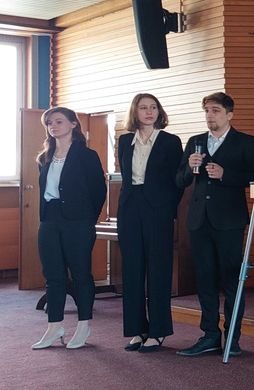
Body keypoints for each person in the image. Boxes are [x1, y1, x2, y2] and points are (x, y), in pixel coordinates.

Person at [175, 92, 254, 357]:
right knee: (204, 279)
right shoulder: (195, 141)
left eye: (215, 111)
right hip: (199, 220)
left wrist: (226, 175)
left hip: (230, 221)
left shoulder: (245, 142)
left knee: (232, 280)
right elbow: (179, 180)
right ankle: (210, 336)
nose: (209, 116)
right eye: (206, 111)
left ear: (229, 115)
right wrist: (188, 167)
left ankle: (233, 337)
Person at [33, 107, 107, 350]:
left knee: (81, 273)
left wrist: (88, 218)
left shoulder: (87, 156)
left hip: (79, 221)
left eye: (59, 121)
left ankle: (83, 325)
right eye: (49, 123)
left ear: (73, 124)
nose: (53, 126)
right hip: (49, 220)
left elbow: (99, 191)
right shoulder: (44, 157)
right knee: (53, 276)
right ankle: (54, 326)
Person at [117, 94, 184, 353]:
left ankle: (158, 331)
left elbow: (177, 181)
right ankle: (137, 330)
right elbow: (125, 176)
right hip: (129, 208)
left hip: (158, 210)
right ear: (135, 112)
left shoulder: (170, 141)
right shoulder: (125, 141)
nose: (149, 111)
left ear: (159, 112)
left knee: (158, 269)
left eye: (153, 107)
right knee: (132, 270)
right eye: (143, 107)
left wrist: (166, 206)